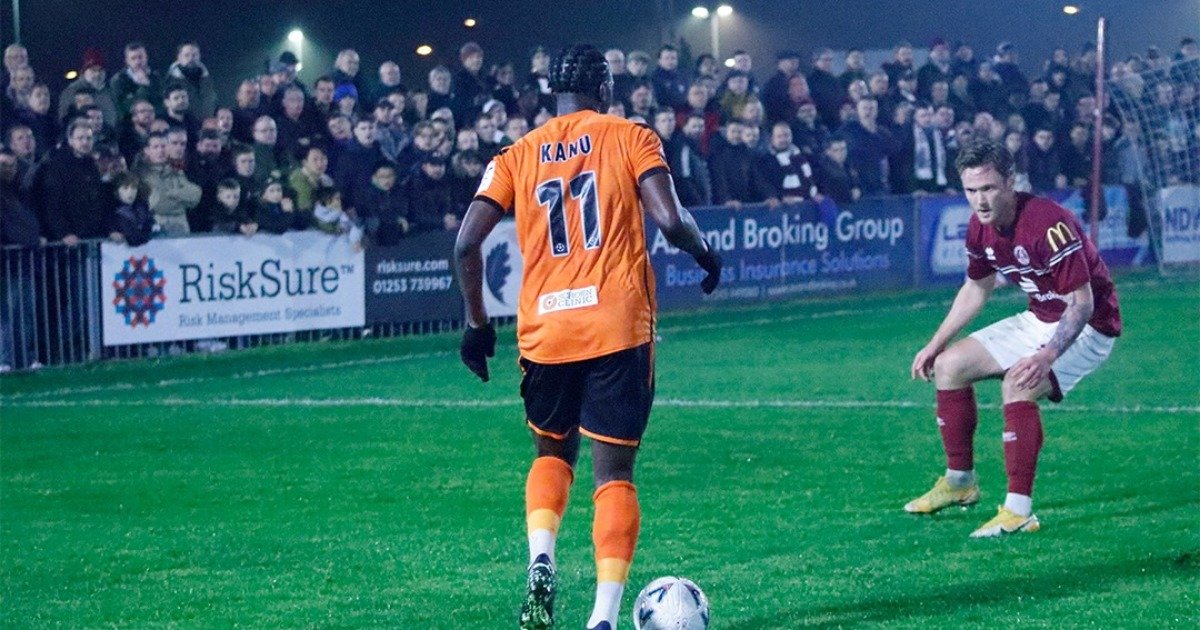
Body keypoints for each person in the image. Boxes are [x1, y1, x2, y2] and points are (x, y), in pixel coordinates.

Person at [453, 44, 722, 630]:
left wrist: (477, 326)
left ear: (554, 92)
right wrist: (707, 254)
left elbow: (466, 244)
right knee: (613, 476)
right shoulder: (630, 135)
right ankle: (602, 618)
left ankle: (542, 559)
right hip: (616, 325)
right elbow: (672, 220)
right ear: (604, 87)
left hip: (545, 332)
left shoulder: (516, 155)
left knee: (552, 454)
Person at [906, 138, 1121, 538]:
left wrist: (1047, 355)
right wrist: (935, 344)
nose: (980, 201)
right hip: (1038, 318)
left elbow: (1082, 303)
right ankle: (960, 483)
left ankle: (1019, 511)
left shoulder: (1047, 223)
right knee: (949, 366)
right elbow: (977, 288)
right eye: (971, 191)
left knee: (1018, 383)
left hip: (1089, 327)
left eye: (988, 188)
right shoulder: (979, 227)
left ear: (1011, 181)